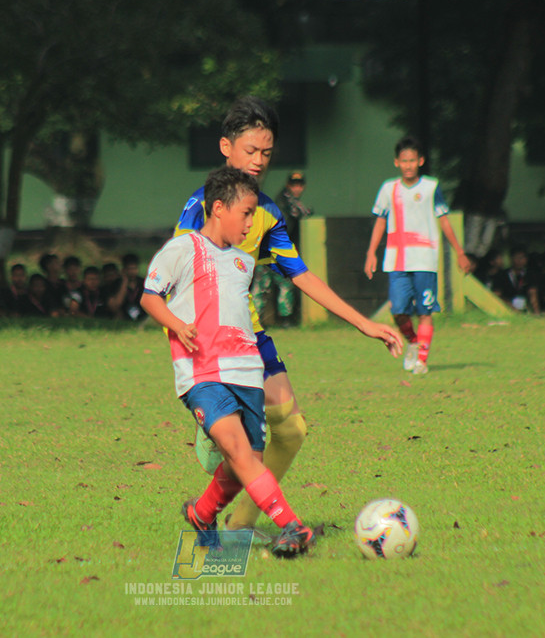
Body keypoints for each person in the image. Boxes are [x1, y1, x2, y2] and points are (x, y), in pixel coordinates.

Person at [174, 96, 403, 534]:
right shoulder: (200, 207)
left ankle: (232, 523)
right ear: (226, 148)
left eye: (266, 153)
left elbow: (300, 275)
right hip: (207, 343)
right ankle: (229, 492)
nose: (259, 161)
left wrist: (364, 323)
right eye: (250, 151)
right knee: (246, 452)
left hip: (250, 337)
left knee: (292, 431)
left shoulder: (269, 212)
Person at [144, 166, 316, 558]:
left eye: (256, 213)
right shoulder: (182, 249)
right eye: (247, 213)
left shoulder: (242, 263)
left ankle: (202, 514)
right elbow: (150, 296)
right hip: (202, 373)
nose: (252, 222)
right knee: (239, 452)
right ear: (218, 208)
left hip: (247, 372)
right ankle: (292, 525)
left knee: (245, 464)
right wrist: (178, 325)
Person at [363, 136, 473, 375]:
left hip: (425, 259)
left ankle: (421, 360)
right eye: (404, 161)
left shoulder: (431, 187)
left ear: (420, 161)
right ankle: (413, 341)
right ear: (396, 162)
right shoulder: (388, 189)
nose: (408, 165)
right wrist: (371, 252)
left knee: (424, 311)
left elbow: (444, 220)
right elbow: (380, 221)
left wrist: (460, 252)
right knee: (398, 311)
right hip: (396, 259)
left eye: (412, 160)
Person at [252, 172, 313, 327]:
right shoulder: (284, 200)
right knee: (265, 286)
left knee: (275, 285)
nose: (297, 188)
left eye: (299, 184)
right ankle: (260, 321)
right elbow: (301, 213)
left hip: (275, 249)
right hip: (271, 249)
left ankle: (278, 320)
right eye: (294, 184)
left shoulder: (286, 200)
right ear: (288, 185)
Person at [491, 245, 539, 314]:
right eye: (516, 258)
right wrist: (510, 306)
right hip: (505, 307)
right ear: (511, 259)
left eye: (522, 258)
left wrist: (536, 312)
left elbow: (533, 294)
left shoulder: (530, 274)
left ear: (526, 259)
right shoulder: (502, 274)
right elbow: (497, 294)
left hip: (525, 308)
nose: (519, 261)